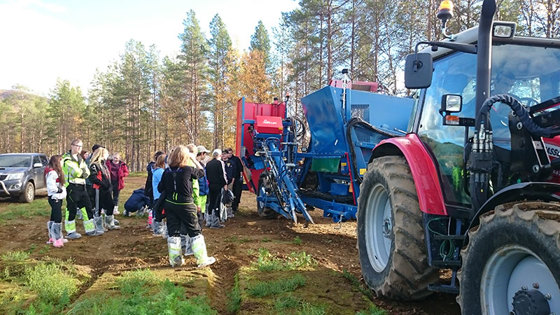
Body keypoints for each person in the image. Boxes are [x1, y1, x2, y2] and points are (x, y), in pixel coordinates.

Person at [158, 145, 215, 268]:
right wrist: (194, 159)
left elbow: (160, 188)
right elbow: (201, 173)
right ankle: (202, 259)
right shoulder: (188, 170)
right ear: (185, 157)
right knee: (194, 231)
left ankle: (175, 260)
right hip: (186, 205)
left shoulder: (167, 172)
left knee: (173, 232)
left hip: (171, 205)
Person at [62, 139, 98, 238]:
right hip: (72, 187)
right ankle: (70, 231)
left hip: (82, 187)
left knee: (87, 208)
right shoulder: (66, 159)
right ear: (72, 146)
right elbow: (75, 172)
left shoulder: (80, 159)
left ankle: (90, 229)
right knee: (71, 209)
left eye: (80, 146)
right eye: (77, 145)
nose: (79, 148)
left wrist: (82, 172)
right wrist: (82, 172)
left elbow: (87, 173)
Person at [89, 147, 119, 233]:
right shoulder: (94, 165)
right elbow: (93, 178)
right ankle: (98, 226)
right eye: (106, 153)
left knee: (110, 205)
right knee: (98, 208)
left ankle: (109, 223)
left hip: (107, 190)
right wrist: (103, 184)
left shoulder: (104, 164)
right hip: (98, 190)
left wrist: (109, 185)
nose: (108, 155)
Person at [45, 155, 67, 248]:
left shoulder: (55, 172)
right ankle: (57, 239)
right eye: (61, 161)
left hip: (57, 197)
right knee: (58, 218)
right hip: (55, 197)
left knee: (54, 216)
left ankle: (52, 236)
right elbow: (51, 186)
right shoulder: (53, 173)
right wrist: (58, 190)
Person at [205, 149, 228, 228]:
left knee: (211, 202)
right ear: (219, 155)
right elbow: (221, 175)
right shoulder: (219, 163)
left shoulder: (208, 164)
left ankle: (209, 221)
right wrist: (225, 184)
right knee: (217, 203)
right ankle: (215, 222)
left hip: (210, 185)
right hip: (218, 185)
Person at [151, 153, 167, 235]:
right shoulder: (160, 172)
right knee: (160, 214)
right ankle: (158, 230)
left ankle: (158, 229)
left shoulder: (157, 171)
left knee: (158, 213)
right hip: (159, 196)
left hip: (157, 195)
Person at [225, 148, 243, 214]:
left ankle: (235, 206)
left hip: (237, 178)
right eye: (228, 153)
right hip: (229, 179)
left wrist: (241, 176)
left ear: (232, 153)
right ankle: (229, 207)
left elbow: (240, 168)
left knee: (237, 192)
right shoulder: (225, 160)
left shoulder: (236, 159)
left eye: (230, 153)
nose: (229, 155)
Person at [196, 145, 210, 228]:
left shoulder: (201, 165)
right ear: (201, 154)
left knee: (202, 214)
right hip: (198, 193)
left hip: (203, 192)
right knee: (198, 215)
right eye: (205, 154)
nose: (205, 156)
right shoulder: (195, 165)